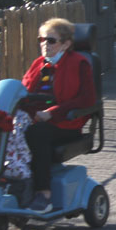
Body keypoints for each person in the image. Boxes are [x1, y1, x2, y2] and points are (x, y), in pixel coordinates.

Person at [22, 18, 96, 213]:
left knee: (37, 133)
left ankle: (43, 193)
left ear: (66, 44)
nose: (44, 44)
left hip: (66, 124)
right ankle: (11, 187)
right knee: (2, 130)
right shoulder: (37, 64)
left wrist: (52, 113)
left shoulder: (79, 63)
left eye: (51, 40)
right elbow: (23, 92)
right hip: (36, 120)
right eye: (42, 40)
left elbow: (87, 100)